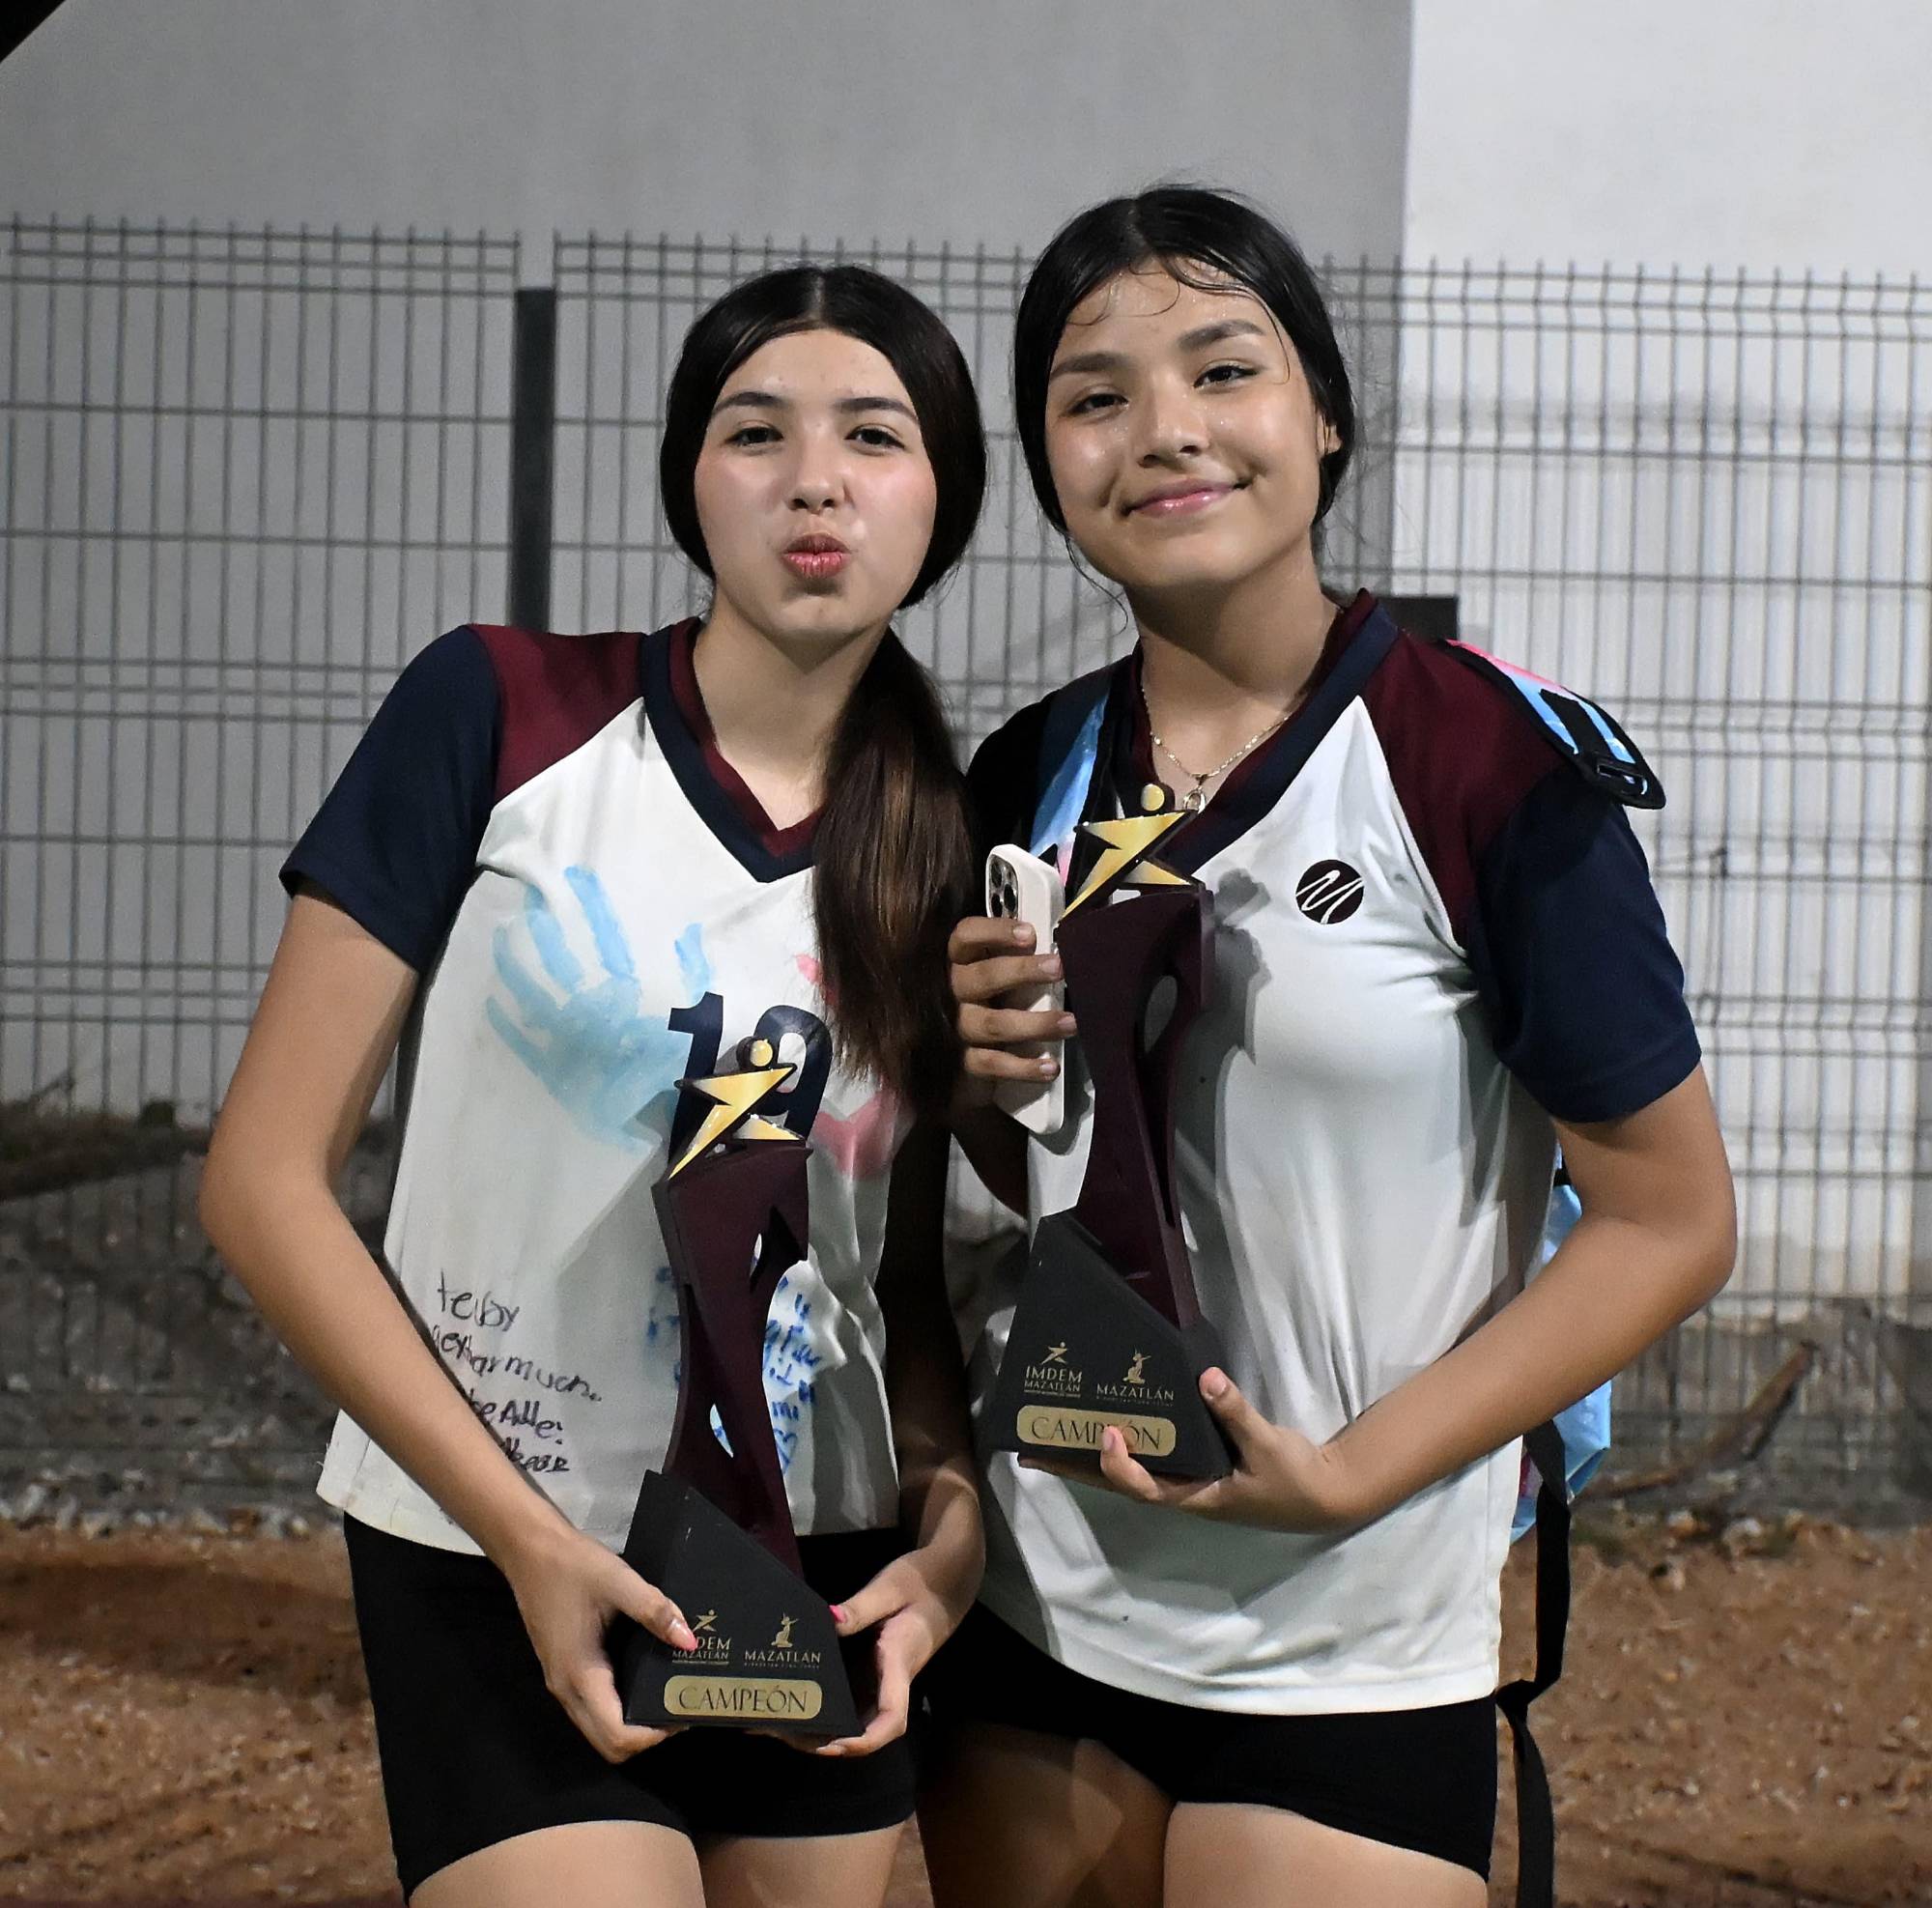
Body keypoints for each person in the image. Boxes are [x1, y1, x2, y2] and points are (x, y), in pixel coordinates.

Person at [921, 185, 1737, 1908]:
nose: (1167, 430)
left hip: (1351, 1642)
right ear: (1051, 469)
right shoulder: (1027, 775)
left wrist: (1350, 1475)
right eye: (1095, 396)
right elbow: (1047, 1171)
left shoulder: (1490, 770)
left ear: (1327, 417)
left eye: (1225, 369)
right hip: (1045, 1610)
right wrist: (990, 1085)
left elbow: (1672, 1221)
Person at [199, 263, 986, 1908]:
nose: (815, 480)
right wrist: (522, 1538)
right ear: (689, 480)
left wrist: (953, 1512)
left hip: (819, 1557)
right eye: (756, 433)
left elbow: (892, 1275)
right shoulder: (498, 711)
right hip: (499, 1539)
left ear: (946, 499)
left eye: (873, 436)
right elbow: (263, 1182)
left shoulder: (948, 845)